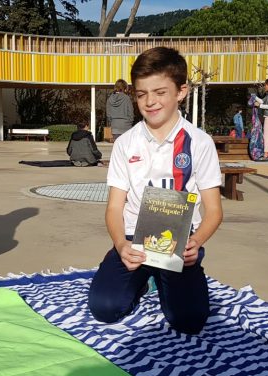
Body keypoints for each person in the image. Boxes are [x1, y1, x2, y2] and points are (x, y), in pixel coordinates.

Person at [88, 47, 224, 335]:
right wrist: (121, 245)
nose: (150, 102)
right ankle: (143, 279)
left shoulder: (200, 143)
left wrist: (196, 242)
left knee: (189, 320)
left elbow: (213, 210)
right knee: (105, 307)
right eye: (141, 94)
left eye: (160, 92)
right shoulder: (126, 143)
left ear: (181, 91)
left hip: (179, 241)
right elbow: (114, 207)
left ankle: (165, 281)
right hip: (133, 240)